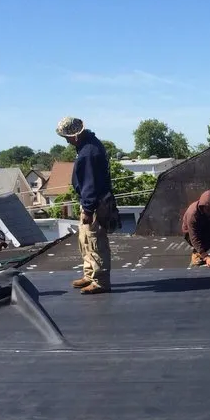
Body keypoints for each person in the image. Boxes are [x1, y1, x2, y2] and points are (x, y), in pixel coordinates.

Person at [56, 116, 118, 295]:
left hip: (96, 204)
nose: (67, 141)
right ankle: (90, 274)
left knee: (95, 242)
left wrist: (89, 209)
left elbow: (90, 183)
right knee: (85, 240)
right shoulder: (87, 146)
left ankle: (100, 281)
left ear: (75, 136)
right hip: (92, 202)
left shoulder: (88, 152)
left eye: (67, 137)